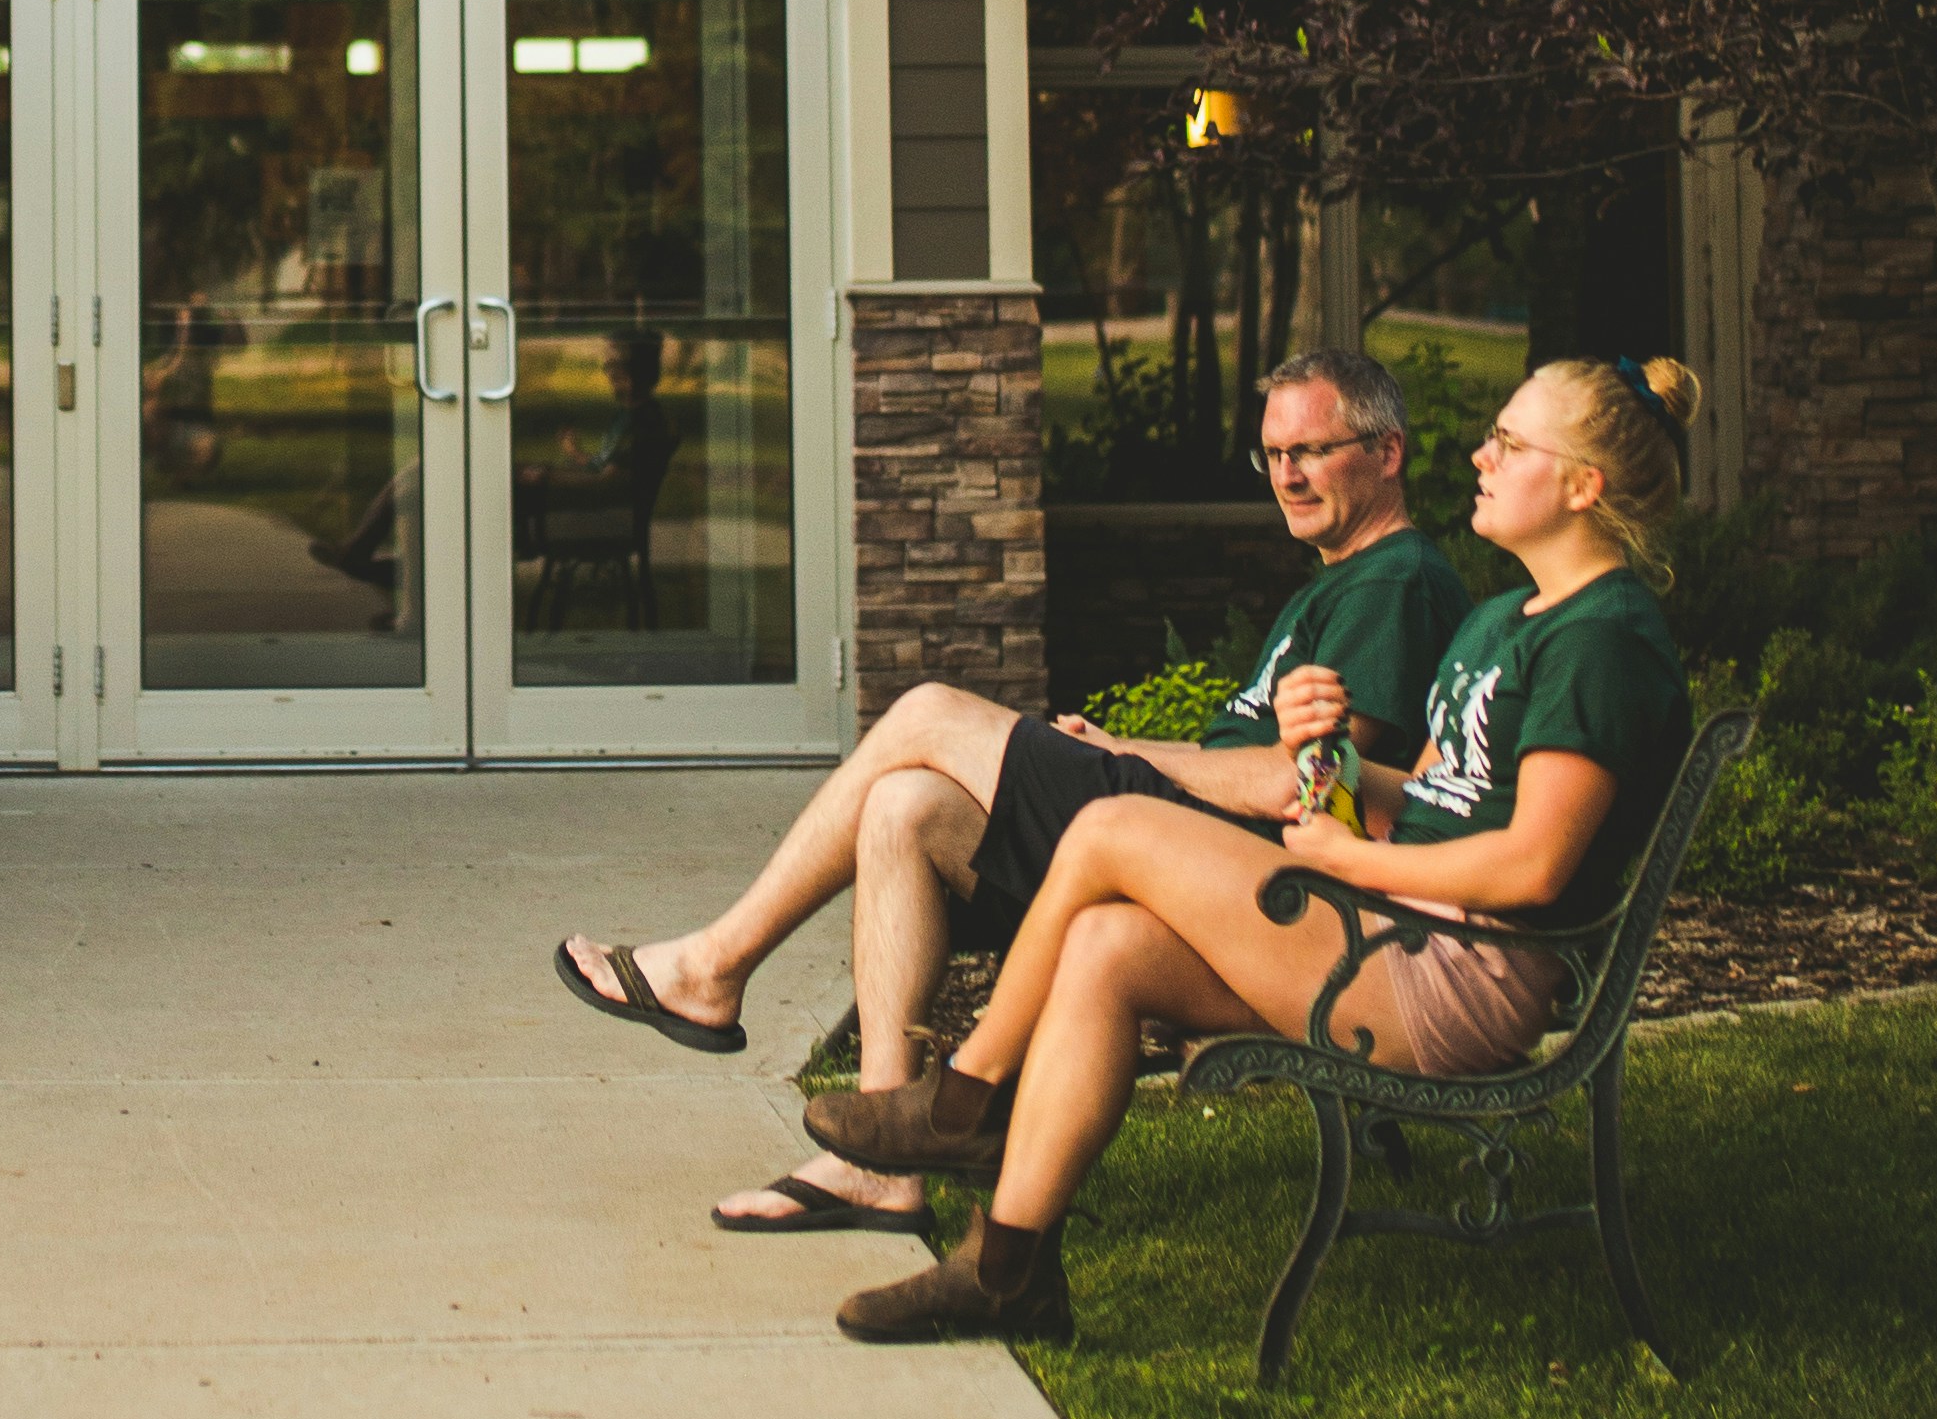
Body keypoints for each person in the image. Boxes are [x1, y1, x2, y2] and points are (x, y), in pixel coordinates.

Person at [807, 354, 1706, 1346]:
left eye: (1510, 443)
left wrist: (1345, 858)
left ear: (1583, 486)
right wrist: (1328, 759)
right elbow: (1439, 799)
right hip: (1393, 935)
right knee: (1105, 944)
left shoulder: (1602, 643)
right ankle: (1009, 1274)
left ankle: (964, 1104)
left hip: (1451, 978)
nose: (1481, 457)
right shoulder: (1507, 619)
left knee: (1109, 828)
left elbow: (1527, 866)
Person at [553, 348, 1466, 1236]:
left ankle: (713, 967)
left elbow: (1299, 784)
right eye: (1273, 454)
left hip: (1234, 874)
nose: (1287, 475)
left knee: (925, 713)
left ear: (1386, 454)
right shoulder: (1341, 581)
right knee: (903, 805)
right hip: (1188, 834)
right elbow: (1275, 756)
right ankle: (879, 1169)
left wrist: (1131, 757)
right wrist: (1129, 752)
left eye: (1311, 451)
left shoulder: (1398, 581)